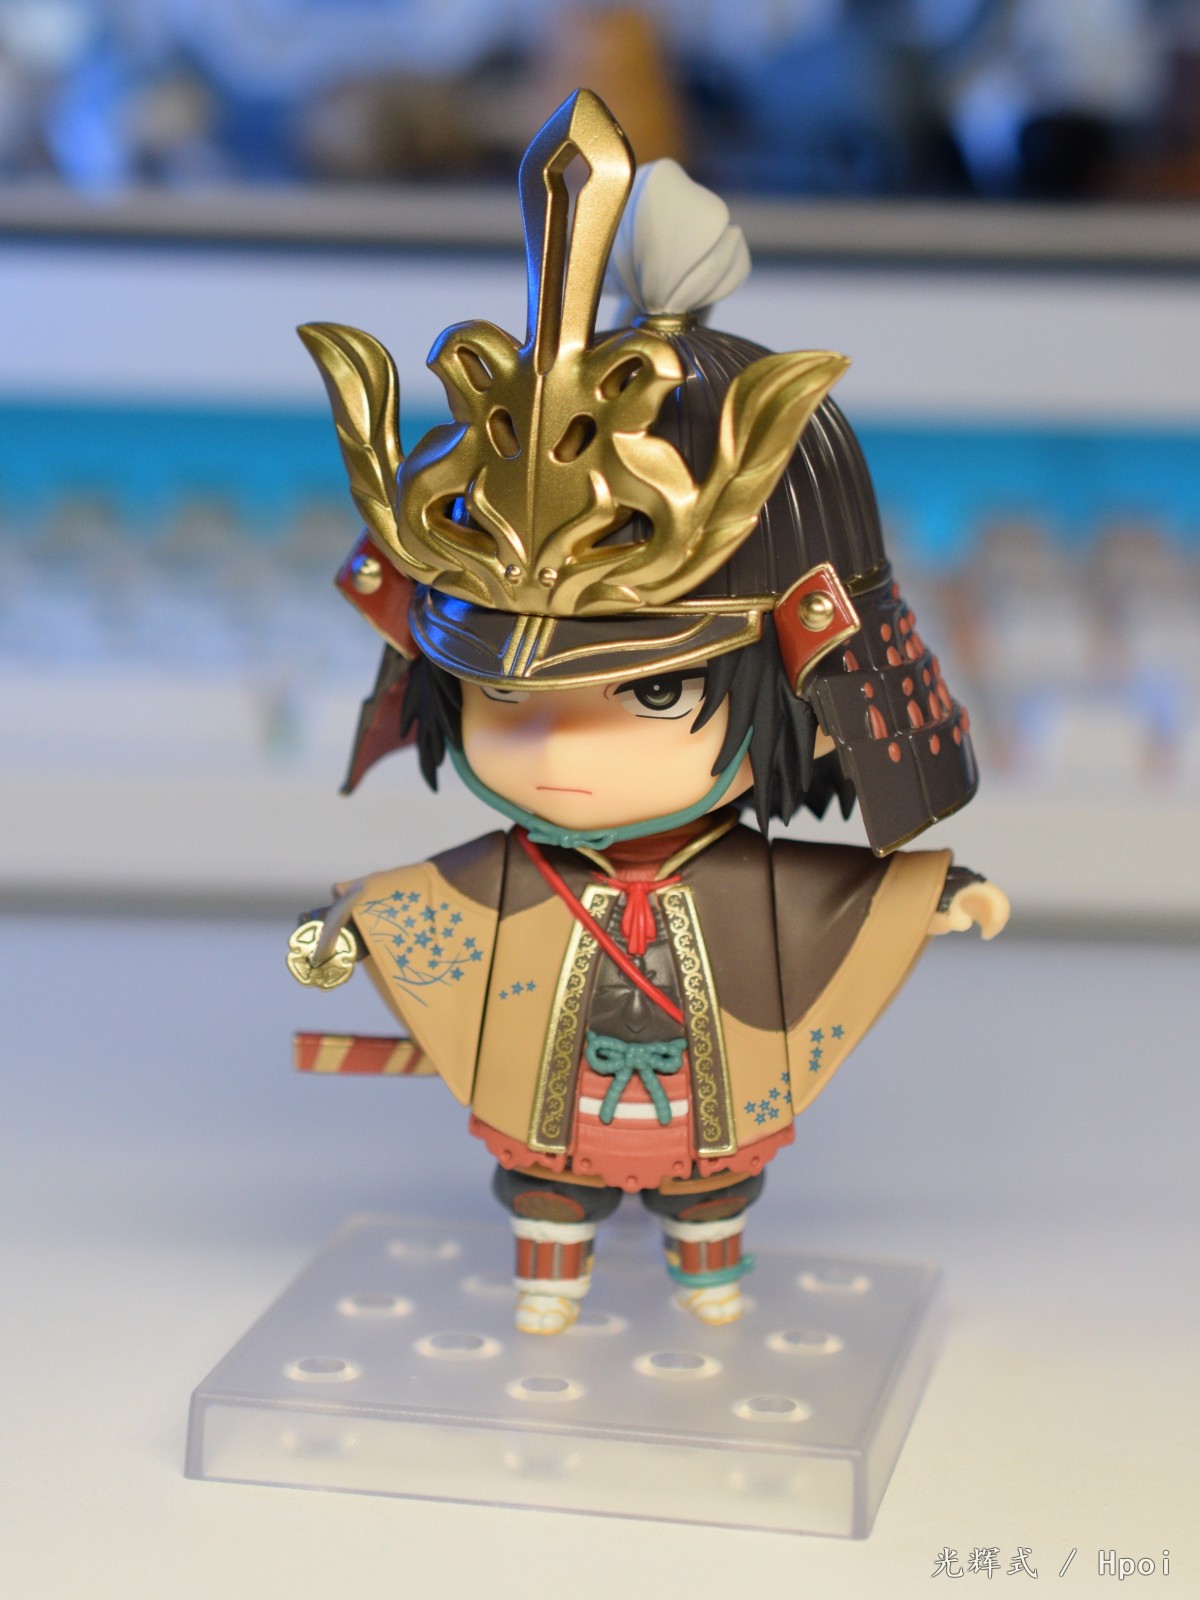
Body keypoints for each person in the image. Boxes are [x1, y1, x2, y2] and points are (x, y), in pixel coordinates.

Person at [288, 89, 1009, 1335]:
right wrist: (357, 920)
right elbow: (435, 902)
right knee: (545, 1183)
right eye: (505, 691)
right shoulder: (516, 870)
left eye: (656, 690)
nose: (558, 744)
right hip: (559, 1099)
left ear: (804, 690)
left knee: (712, 1188)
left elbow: (825, 902)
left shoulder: (735, 870)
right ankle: (551, 1276)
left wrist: (926, 894)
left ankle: (708, 1268)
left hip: (698, 1099)